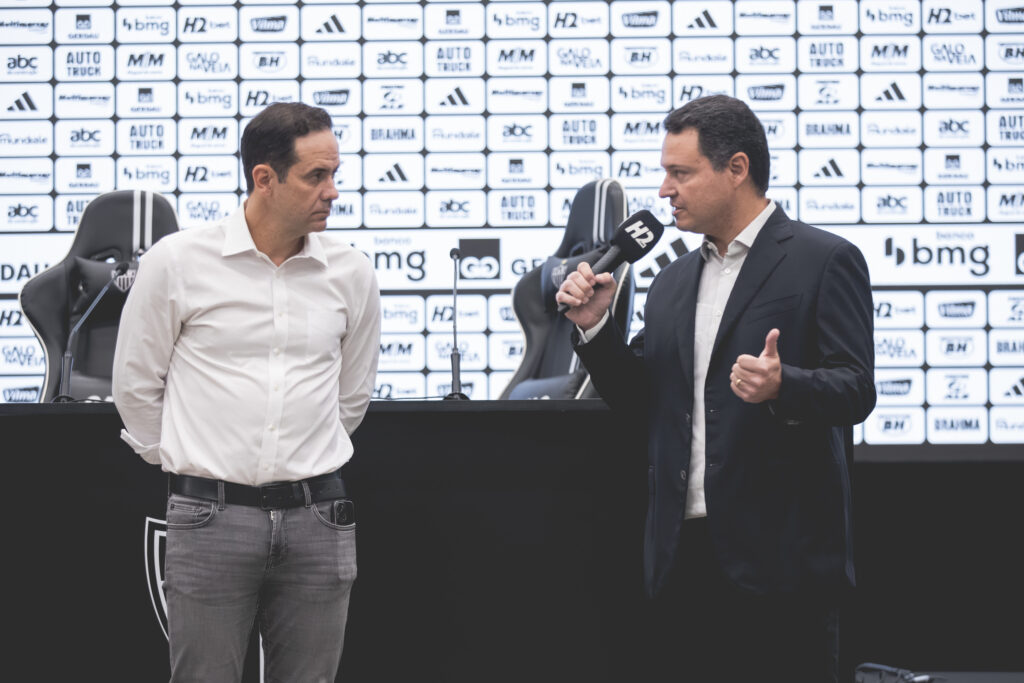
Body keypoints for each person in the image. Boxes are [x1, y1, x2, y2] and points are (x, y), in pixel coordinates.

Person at [556, 95, 875, 682]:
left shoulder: (824, 259)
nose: (664, 191)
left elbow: (856, 389)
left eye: (680, 173)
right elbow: (643, 401)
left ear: (736, 168)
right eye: (665, 173)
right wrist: (596, 329)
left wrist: (784, 384)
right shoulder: (672, 282)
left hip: (782, 570)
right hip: (682, 561)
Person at [113, 102, 381, 682]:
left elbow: (352, 395)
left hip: (319, 518)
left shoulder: (352, 272)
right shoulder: (178, 262)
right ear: (265, 178)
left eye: (334, 174)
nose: (333, 191)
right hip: (209, 518)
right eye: (316, 175)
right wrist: (192, 464)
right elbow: (135, 386)